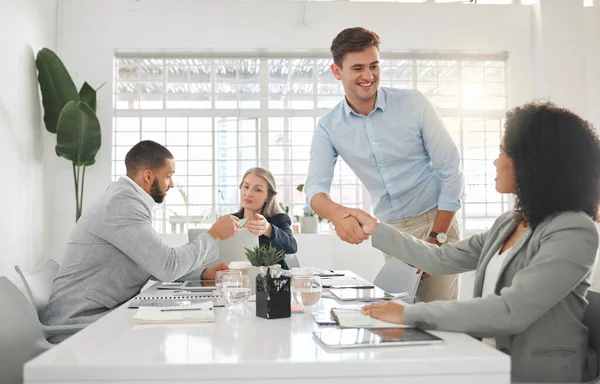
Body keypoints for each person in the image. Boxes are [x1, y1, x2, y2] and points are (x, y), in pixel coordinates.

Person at [348, 101, 600, 382]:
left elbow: (510, 310)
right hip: (487, 360)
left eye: (503, 151)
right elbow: (440, 259)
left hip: (535, 374)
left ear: (532, 162)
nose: (496, 161)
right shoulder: (510, 222)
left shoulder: (574, 230)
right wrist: (376, 229)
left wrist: (408, 314)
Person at [305, 27, 464, 302]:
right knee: (400, 318)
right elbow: (314, 190)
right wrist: (337, 214)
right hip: (391, 232)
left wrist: (436, 237)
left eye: (374, 66)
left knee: (438, 319)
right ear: (337, 72)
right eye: (358, 68)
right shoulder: (329, 127)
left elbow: (451, 170)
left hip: (435, 222)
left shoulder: (414, 104)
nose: (368, 76)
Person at [42, 140, 239, 330]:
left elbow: (150, 261)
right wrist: (214, 235)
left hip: (98, 312)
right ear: (148, 176)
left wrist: (202, 274)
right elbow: (166, 266)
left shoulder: (125, 198)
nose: (171, 184)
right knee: (177, 325)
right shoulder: (123, 204)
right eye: (169, 176)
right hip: (79, 321)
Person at [231, 167, 297, 269]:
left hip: (272, 280)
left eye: (257, 190)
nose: (248, 194)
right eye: (246, 187)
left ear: (268, 196)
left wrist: (268, 229)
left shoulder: (279, 220)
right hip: (237, 279)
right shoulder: (229, 220)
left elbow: (292, 247)